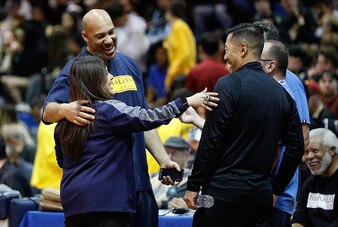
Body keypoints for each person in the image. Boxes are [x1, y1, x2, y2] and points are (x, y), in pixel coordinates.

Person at [41, 8, 187, 227]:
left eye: (111, 32)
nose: (109, 40)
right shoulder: (76, 69)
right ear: (85, 37)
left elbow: (144, 119)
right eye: (100, 36)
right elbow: (47, 111)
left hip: (140, 182)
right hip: (108, 190)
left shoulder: (129, 65)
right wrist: (65, 110)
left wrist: (163, 159)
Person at [54, 55, 217, 226]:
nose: (112, 78)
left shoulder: (63, 123)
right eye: (106, 73)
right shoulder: (109, 110)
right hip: (109, 204)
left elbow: (62, 161)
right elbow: (148, 117)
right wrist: (186, 102)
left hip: (73, 205)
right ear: (95, 81)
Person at [183, 23, 305, 226]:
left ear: (243, 49)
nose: (224, 57)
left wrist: (193, 185)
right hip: (260, 197)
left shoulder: (227, 85)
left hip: (222, 195)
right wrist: (275, 187)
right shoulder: (283, 95)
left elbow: (212, 140)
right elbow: (296, 147)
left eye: (226, 50)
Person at [261, 39, 305, 226]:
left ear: (271, 65)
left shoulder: (277, 95)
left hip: (273, 196)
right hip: (279, 193)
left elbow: (289, 147)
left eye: (257, 59)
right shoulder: (288, 85)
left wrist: (274, 188)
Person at [291, 128, 338, 227]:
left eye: (315, 150)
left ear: (332, 151)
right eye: (306, 152)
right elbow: (299, 219)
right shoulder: (310, 183)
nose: (309, 157)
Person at [150, 136, 191, 209]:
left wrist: (161, 203)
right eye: (166, 153)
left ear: (187, 156)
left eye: (174, 153)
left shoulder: (191, 178)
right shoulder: (152, 177)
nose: (169, 157)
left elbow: (176, 202)